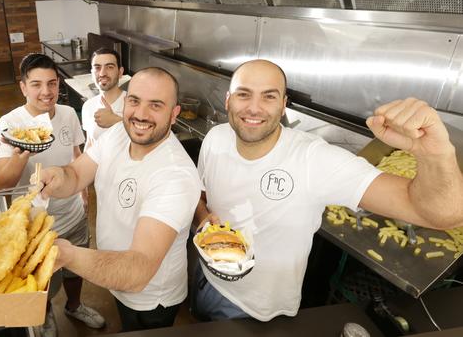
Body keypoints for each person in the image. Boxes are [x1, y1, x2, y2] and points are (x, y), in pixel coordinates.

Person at [192, 59, 463, 322]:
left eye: (269, 97)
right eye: (243, 94)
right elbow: (202, 196)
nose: (254, 108)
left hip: (252, 308)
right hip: (205, 275)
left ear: (283, 104)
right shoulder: (216, 138)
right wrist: (203, 217)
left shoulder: (314, 159)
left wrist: (436, 153)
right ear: (228, 99)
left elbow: (442, 215)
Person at [37, 67, 202, 332]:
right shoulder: (118, 134)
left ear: (174, 115)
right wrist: (57, 176)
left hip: (150, 300)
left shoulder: (175, 175)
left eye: (156, 105)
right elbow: (77, 174)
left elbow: (137, 273)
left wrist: (65, 254)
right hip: (115, 277)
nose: (140, 114)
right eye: (134, 101)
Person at [0, 53, 105, 337]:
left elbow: (77, 154)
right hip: (34, 222)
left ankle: (75, 305)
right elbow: (4, 182)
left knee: (75, 266)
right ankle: (44, 317)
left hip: (72, 213)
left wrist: (84, 192)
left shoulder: (67, 113)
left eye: (52, 83)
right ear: (23, 87)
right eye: (36, 85)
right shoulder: (10, 123)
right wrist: (23, 153)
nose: (46, 92)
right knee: (39, 275)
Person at [81, 47, 126, 151]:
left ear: (120, 72)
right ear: (91, 73)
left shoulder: (133, 104)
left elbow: (150, 140)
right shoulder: (88, 106)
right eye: (97, 67)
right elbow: (90, 144)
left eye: (109, 67)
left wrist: (116, 121)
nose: (102, 73)